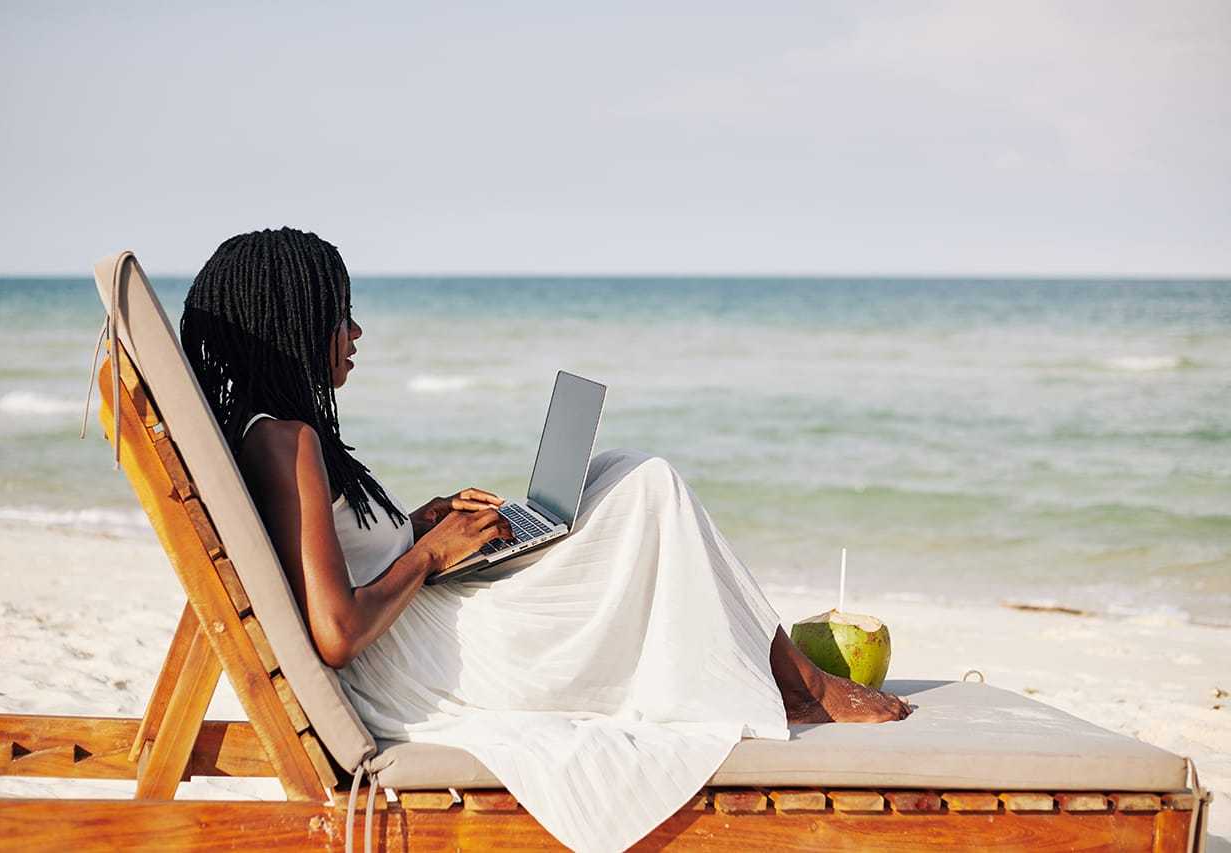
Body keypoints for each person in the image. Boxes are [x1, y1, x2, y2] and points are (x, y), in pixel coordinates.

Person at [181, 226, 910, 852]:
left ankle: (790, 679)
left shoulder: (270, 435)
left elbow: (336, 557)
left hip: (420, 629)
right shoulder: (289, 441)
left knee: (622, 471)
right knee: (650, 485)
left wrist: (418, 524)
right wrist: (432, 553)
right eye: (339, 314)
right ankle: (803, 685)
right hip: (422, 667)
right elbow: (337, 632)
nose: (356, 333)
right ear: (292, 325)